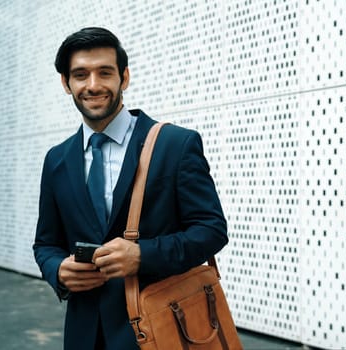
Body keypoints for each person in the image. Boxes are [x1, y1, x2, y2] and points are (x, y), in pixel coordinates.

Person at [33, 27, 228, 349]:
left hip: (163, 326)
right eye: (80, 74)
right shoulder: (56, 160)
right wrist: (57, 270)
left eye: (104, 73)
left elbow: (211, 230)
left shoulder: (176, 144)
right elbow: (45, 244)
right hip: (85, 334)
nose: (93, 85)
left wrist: (142, 255)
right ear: (66, 83)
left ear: (124, 77)